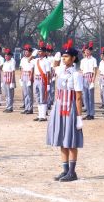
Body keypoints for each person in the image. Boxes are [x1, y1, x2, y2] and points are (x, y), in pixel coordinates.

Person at [47, 40, 84, 182]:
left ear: (73, 58)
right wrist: (56, 57)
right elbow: (54, 66)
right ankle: (65, 170)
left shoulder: (76, 74)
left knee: (71, 141)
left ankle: (72, 172)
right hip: (59, 108)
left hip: (71, 109)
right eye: (63, 56)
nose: (64, 58)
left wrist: (79, 117)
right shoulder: (61, 70)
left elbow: (79, 97)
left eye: (66, 56)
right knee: (62, 139)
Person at [33, 42, 52, 121]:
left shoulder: (46, 61)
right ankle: (39, 114)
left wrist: (48, 84)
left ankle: (43, 116)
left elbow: (48, 73)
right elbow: (28, 60)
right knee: (37, 97)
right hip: (36, 79)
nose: (39, 53)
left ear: (44, 53)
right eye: (39, 51)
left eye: (41, 51)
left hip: (42, 79)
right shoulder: (36, 60)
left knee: (43, 97)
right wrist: (33, 54)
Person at [79, 42, 98, 120]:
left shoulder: (93, 59)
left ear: (91, 51)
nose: (87, 52)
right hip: (84, 77)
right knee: (85, 96)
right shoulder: (83, 60)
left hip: (90, 78)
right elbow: (81, 70)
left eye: (88, 50)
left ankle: (91, 113)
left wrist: (93, 81)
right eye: (85, 50)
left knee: (91, 97)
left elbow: (95, 70)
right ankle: (87, 113)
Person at [19, 44, 35, 114]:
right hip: (24, 75)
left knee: (29, 93)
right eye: (25, 51)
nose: (26, 52)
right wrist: (21, 77)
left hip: (29, 75)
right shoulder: (22, 59)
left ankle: (30, 108)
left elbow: (32, 69)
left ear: (30, 52)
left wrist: (30, 79)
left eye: (27, 51)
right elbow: (22, 69)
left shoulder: (32, 59)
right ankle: (26, 107)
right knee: (25, 93)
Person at [1, 48, 17, 112]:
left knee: (10, 94)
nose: (6, 57)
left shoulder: (12, 62)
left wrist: (12, 82)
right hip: (5, 79)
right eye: (5, 55)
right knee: (6, 94)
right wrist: (2, 81)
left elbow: (13, 72)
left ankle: (10, 107)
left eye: (7, 55)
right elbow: (4, 72)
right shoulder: (5, 63)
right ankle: (7, 106)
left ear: (10, 56)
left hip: (10, 79)